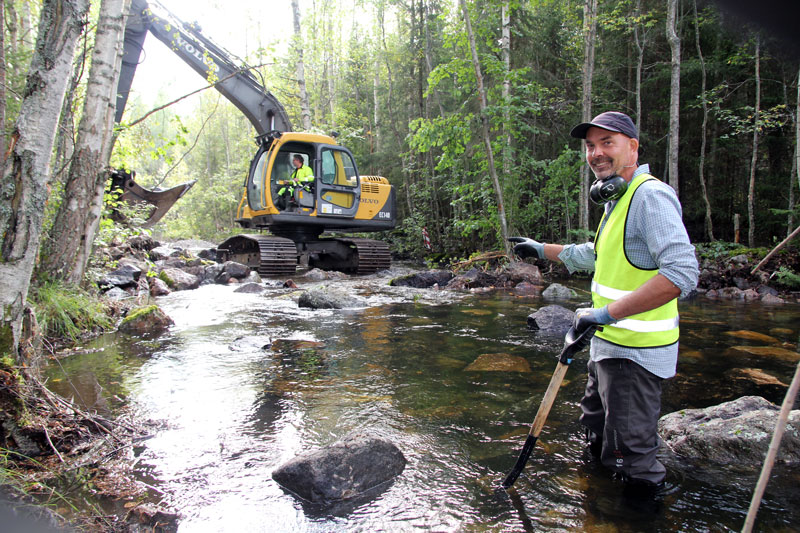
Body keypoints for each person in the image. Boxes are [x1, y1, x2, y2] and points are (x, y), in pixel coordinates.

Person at [508, 111, 699, 498]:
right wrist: (542, 249)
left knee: (633, 455)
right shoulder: (618, 197)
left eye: (606, 143)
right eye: (590, 146)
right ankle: (597, 502)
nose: (596, 153)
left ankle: (635, 516)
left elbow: (682, 273)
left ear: (633, 147)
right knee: (595, 428)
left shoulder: (650, 196)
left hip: (635, 353)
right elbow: (600, 254)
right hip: (609, 346)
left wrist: (605, 314)